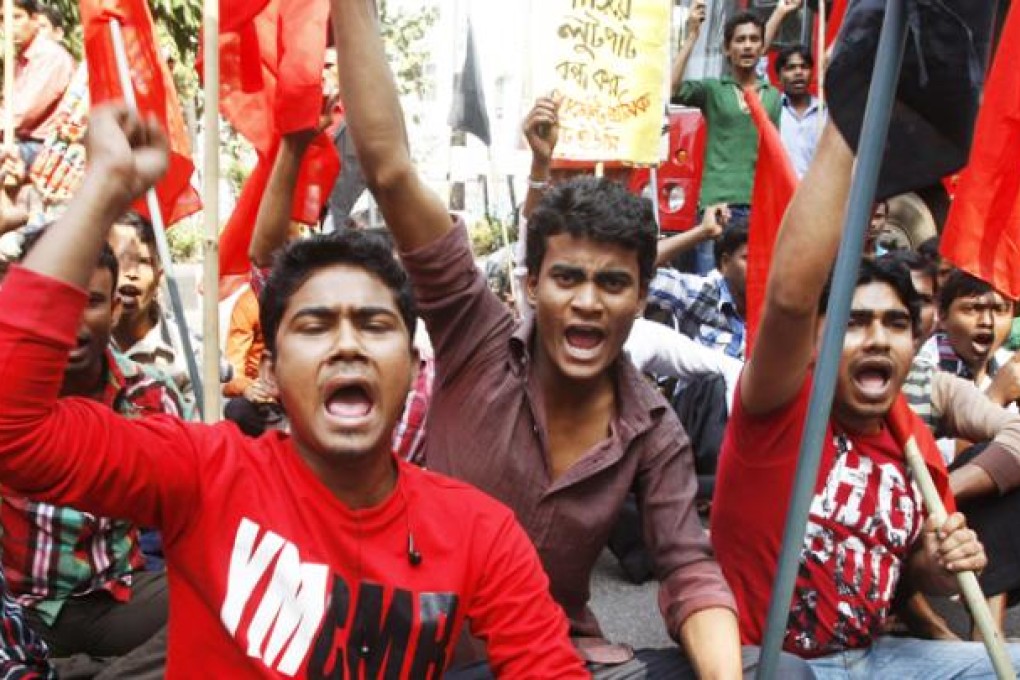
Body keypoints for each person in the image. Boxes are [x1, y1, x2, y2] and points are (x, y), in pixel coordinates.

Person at [0, 102, 588, 677]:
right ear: (274, 372)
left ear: (412, 369)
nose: (347, 344)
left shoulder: (480, 533)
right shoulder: (203, 474)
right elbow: (14, 430)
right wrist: (102, 190)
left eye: (374, 324)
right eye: (315, 325)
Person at [330, 3, 813, 678]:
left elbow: (689, 569)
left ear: (641, 299)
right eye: (567, 277)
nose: (587, 301)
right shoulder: (475, 338)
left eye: (613, 283)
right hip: (434, 658)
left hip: (560, 659)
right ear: (532, 286)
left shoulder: (654, 427)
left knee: (781, 673)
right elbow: (389, 168)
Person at [712, 119, 1020, 675]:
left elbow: (922, 569)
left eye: (895, 323)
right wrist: (850, 116)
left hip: (876, 657)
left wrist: (947, 561)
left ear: (915, 338)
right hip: (774, 663)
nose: (878, 337)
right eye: (854, 322)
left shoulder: (916, 447)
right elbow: (787, 298)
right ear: (817, 338)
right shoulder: (780, 406)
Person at [0, 231, 186, 667]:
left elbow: (188, 517)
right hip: (21, 610)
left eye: (91, 301)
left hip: (120, 599)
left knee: (233, 611)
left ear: (115, 308)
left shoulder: (150, 396)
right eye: (56, 302)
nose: (71, 322)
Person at [670, 3, 781, 273]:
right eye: (740, 40)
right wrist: (693, 36)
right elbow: (671, 89)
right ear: (727, 49)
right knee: (710, 281)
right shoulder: (713, 89)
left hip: (758, 208)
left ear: (762, 47)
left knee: (751, 284)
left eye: (754, 40)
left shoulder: (773, 96)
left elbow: (773, 154)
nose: (747, 46)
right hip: (717, 206)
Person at [107, 212, 198, 411]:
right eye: (119, 259)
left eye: (143, 261)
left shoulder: (190, 354)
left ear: (160, 277)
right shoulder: (81, 346)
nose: (131, 273)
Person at [647, 219, 749, 360]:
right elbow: (636, 270)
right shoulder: (702, 293)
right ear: (725, 263)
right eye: (748, 258)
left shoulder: (777, 308)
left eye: (765, 258)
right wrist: (702, 232)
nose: (759, 266)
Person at [2, 0, 74, 169]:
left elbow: (19, 115)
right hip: (19, 140)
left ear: (34, 20)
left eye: (17, 17)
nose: (9, 25)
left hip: (43, 147)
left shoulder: (50, 57)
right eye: (3, 19)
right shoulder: (18, 60)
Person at [775, 45, 824, 178]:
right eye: (790, 68)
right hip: (780, 193)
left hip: (814, 193)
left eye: (804, 67)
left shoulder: (825, 114)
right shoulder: (772, 110)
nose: (798, 72)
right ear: (779, 76)